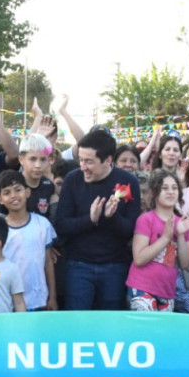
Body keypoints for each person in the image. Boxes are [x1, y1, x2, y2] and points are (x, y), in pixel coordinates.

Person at [55, 129, 141, 311]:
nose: (83, 167)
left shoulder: (128, 181)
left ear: (108, 160)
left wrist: (112, 217)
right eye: (80, 159)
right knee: (77, 322)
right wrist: (90, 220)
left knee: (110, 325)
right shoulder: (73, 180)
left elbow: (130, 230)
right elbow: (61, 225)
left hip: (115, 267)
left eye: (89, 161)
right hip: (78, 266)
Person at [126, 170, 189, 312]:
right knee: (144, 332)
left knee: (161, 333)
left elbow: (185, 264)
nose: (170, 192)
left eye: (174, 188)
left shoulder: (184, 223)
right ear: (154, 192)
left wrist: (181, 234)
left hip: (167, 292)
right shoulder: (146, 219)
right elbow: (139, 259)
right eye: (164, 188)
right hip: (142, 287)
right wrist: (165, 238)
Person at [0, 170, 58, 311]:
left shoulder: (42, 224)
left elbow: (48, 262)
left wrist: (52, 297)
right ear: (0, 199)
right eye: (7, 192)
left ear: (27, 192)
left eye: (18, 190)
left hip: (38, 299)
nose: (14, 196)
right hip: (6, 301)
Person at [12, 133, 55, 217]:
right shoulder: (9, 185)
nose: (38, 165)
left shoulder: (49, 186)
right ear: (21, 159)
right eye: (33, 159)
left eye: (43, 159)